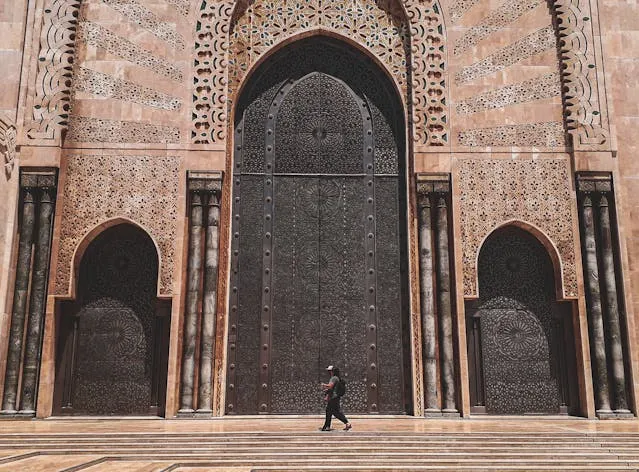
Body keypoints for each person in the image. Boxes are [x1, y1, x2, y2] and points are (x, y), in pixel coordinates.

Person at [319, 365, 352, 431]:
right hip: (335, 397)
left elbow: (330, 386)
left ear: (332, 371)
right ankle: (326, 426)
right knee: (329, 411)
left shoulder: (334, 378)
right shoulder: (337, 378)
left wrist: (323, 385)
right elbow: (334, 388)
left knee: (335, 412)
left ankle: (347, 423)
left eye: (329, 371)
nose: (329, 373)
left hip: (333, 398)